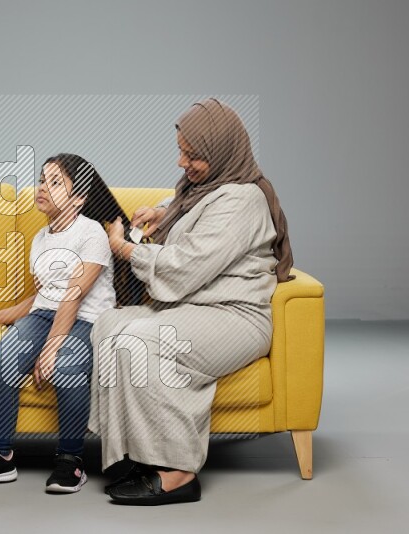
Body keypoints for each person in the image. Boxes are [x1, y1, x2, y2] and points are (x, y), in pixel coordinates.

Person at [90, 98, 294, 505]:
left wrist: (124, 250)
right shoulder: (207, 187)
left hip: (234, 314)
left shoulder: (243, 200)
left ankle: (179, 473)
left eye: (193, 155)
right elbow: (189, 207)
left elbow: (185, 266)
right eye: (181, 151)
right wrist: (160, 212)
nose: (183, 162)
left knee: (145, 339)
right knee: (108, 326)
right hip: (196, 307)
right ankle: (133, 452)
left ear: (221, 152)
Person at [0, 153, 133, 493]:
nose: (42, 187)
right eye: (42, 179)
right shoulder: (39, 239)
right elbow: (45, 297)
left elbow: (74, 296)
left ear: (78, 198)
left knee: (66, 363)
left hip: (87, 319)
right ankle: (0, 456)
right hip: (47, 315)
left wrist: (50, 348)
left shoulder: (91, 233)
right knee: (7, 354)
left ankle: (70, 460)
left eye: (55, 182)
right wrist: (3, 315)